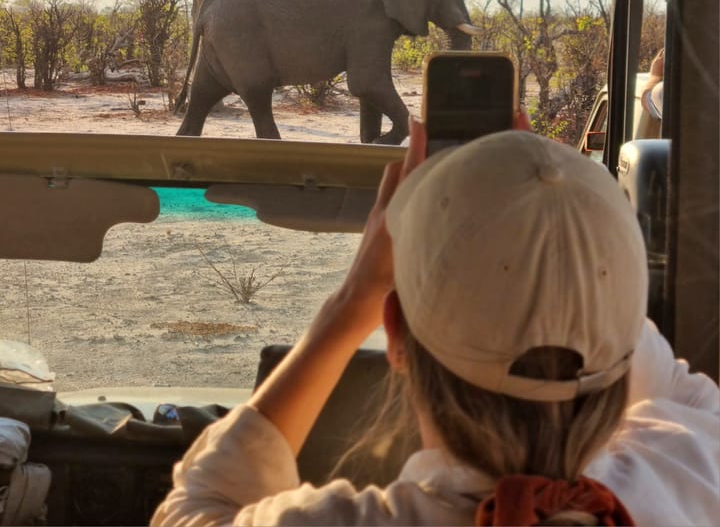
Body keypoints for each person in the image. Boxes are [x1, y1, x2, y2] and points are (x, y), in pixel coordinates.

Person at [152, 121, 719, 526]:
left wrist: (353, 300)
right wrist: (560, 223)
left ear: (393, 333)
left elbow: (193, 508)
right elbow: (672, 385)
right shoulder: (692, 468)